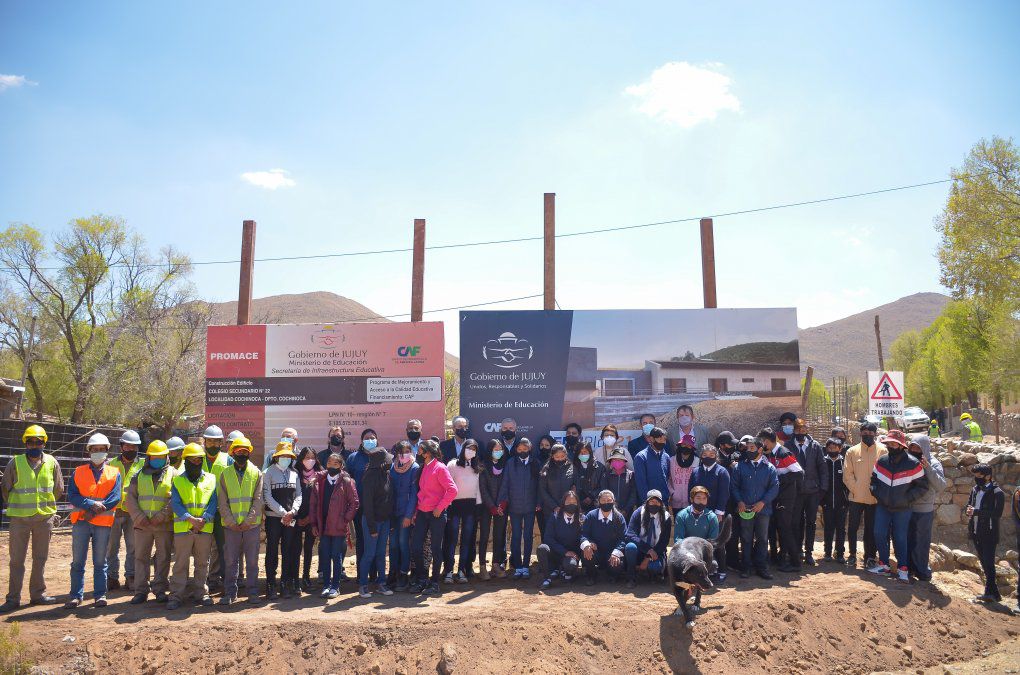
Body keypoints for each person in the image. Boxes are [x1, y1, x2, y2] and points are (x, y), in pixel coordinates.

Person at [0, 424, 63, 612]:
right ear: (25, 443)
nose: (34, 445)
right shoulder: (15, 463)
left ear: (44, 443)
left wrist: (45, 507)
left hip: (44, 519)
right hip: (19, 519)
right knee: (16, 560)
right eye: (30, 442)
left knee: (40, 558)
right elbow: (5, 489)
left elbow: (58, 489)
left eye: (38, 441)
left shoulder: (52, 462)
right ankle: (13, 599)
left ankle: (37, 595)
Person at [65, 434, 122, 609]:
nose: (98, 452)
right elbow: (73, 495)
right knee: (78, 562)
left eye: (101, 450)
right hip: (82, 522)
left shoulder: (114, 473)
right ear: (89, 451)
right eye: (95, 450)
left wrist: (96, 510)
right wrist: (92, 504)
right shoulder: (78, 471)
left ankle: (100, 595)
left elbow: (115, 497)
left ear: (107, 451)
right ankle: (75, 596)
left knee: (100, 562)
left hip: (102, 524)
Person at [868, 429, 928, 582]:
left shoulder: (913, 464)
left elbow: (922, 487)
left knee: (900, 538)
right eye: (889, 443)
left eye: (894, 443)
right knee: (879, 534)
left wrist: (907, 499)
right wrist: (877, 494)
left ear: (902, 446)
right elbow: (873, 481)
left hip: (903, 509)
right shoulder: (881, 461)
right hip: (883, 507)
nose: (891, 446)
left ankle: (903, 568)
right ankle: (884, 565)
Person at [167, 443, 217, 610]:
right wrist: (191, 520)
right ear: (185, 461)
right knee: (181, 564)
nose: (196, 462)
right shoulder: (178, 480)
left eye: (199, 460)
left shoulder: (211, 478)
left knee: (202, 563)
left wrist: (203, 519)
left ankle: (201, 593)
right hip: (184, 529)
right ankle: (176, 596)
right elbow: (176, 503)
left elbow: (213, 502)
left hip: (204, 528)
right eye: (192, 460)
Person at [125, 440, 175, 604]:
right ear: (148, 457)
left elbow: (175, 499)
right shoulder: (138, 475)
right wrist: (140, 518)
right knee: (141, 558)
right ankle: (141, 591)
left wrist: (160, 517)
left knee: (163, 558)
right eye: (155, 456)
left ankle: (160, 590)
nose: (158, 459)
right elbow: (130, 499)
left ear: (166, 457)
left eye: (161, 456)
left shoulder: (174, 474)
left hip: (163, 525)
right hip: (142, 526)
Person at [216, 437, 264, 605]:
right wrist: (231, 522)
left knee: (252, 561)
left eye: (245, 451)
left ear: (249, 453)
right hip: (231, 527)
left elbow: (258, 500)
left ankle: (252, 592)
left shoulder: (256, 473)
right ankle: (230, 593)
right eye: (239, 451)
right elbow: (222, 501)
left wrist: (248, 521)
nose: (242, 454)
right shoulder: (225, 474)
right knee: (231, 561)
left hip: (251, 526)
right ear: (233, 453)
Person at [410, 440, 458, 595]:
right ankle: (422, 578)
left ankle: (434, 582)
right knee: (416, 546)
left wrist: (440, 507)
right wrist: (417, 512)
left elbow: (452, 490)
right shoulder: (424, 467)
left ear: (428, 452)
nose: (418, 452)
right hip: (423, 513)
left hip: (436, 514)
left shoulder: (440, 467)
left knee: (436, 548)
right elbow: (422, 493)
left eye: (421, 450)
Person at [309, 453, 359, 599]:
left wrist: (345, 520)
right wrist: (313, 523)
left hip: (339, 527)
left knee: (336, 557)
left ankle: (335, 587)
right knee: (324, 556)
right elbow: (313, 504)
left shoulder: (347, 481)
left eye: (335, 464)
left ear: (341, 466)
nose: (332, 466)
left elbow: (354, 503)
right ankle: (325, 585)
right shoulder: (320, 481)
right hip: (323, 526)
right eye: (329, 463)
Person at [730, 435, 780, 579]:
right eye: (747, 448)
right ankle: (746, 567)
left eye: (752, 448)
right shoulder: (740, 467)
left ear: (760, 449)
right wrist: (739, 501)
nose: (748, 450)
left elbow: (774, 487)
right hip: (745, 509)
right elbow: (734, 487)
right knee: (746, 538)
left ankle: (762, 567)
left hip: (763, 510)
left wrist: (763, 502)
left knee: (763, 539)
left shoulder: (769, 467)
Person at [785, 419, 828, 566]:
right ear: (794, 431)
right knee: (796, 522)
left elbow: (822, 468)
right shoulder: (788, 446)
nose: (801, 432)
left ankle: (809, 552)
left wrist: (823, 488)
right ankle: (797, 551)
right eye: (798, 430)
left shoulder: (815, 446)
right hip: (795, 492)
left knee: (811, 522)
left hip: (812, 491)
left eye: (803, 430)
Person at [105, 429, 144, 592]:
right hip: (114, 512)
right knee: (111, 547)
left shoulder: (142, 465)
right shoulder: (111, 464)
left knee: (133, 546)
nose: (131, 450)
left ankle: (131, 576)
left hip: (133, 513)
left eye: (134, 447)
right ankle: (112, 578)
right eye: (128, 447)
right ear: (121, 447)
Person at [761, 427, 803, 573]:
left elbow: (799, 473)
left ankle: (795, 563)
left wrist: (778, 480)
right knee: (778, 528)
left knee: (785, 529)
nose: (762, 444)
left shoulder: (783, 453)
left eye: (762, 441)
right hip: (777, 497)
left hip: (786, 497)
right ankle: (781, 558)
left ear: (767, 441)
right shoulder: (770, 454)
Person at [263, 441, 302, 599]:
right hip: (273, 519)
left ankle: (285, 583)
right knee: (272, 551)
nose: (286, 458)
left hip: (290, 519)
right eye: (283, 456)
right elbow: (267, 496)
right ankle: (270, 584)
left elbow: (298, 495)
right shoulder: (268, 472)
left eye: (288, 456)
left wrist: (292, 512)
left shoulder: (294, 473)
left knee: (288, 551)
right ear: (276, 456)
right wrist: (282, 513)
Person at [844, 422, 885, 568]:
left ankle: (870, 557)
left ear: (875, 433)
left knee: (871, 528)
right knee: (853, 527)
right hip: (856, 497)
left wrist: (879, 492)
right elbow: (847, 475)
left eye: (870, 432)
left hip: (874, 498)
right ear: (860, 433)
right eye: (864, 432)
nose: (867, 434)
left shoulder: (882, 451)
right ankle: (852, 555)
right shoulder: (852, 451)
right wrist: (856, 489)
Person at [499, 437, 541, 579]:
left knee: (528, 537)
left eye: (525, 449)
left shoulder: (536, 463)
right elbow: (505, 483)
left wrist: (538, 502)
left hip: (530, 507)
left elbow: (540, 486)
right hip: (514, 507)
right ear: (516, 449)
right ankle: (517, 566)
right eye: (520, 449)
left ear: (530, 449)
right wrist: (503, 502)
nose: (522, 451)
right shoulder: (511, 463)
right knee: (516, 536)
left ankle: (525, 566)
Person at [906, 434, 946, 582]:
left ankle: (922, 570)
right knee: (907, 539)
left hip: (924, 509)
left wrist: (928, 468)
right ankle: (908, 568)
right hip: (906, 507)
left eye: (918, 447)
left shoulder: (933, 463)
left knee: (922, 541)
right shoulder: (907, 460)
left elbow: (941, 485)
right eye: (912, 447)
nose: (914, 450)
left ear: (924, 448)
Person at [444, 438, 481, 583]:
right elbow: (447, 486)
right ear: (463, 448)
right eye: (468, 448)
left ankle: (461, 570)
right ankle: (448, 571)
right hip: (454, 506)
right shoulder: (452, 464)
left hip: (470, 507)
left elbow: (478, 490)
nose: (471, 451)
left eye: (474, 449)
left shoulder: (477, 466)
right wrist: (447, 505)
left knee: (466, 540)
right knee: (451, 539)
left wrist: (478, 508)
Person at [966, 463, 1005, 603]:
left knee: (988, 562)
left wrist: (976, 512)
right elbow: (969, 505)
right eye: (975, 476)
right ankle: (995, 594)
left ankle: (989, 592)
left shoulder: (997, 493)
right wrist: (968, 510)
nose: (976, 478)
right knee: (983, 562)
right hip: (976, 531)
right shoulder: (975, 490)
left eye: (979, 476)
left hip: (989, 533)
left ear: (988, 476)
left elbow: (997, 514)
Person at [690, 444, 730, 580]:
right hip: (698, 512)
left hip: (716, 513)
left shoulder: (722, 472)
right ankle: (706, 571)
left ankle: (722, 571)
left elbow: (724, 494)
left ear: (716, 457)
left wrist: (719, 513)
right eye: (705, 455)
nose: (708, 457)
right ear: (701, 456)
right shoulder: (696, 471)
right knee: (702, 542)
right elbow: (691, 491)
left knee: (717, 542)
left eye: (712, 455)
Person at [359, 447, 395, 598]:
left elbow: (389, 499)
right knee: (369, 554)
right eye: (387, 459)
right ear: (380, 462)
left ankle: (381, 583)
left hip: (385, 521)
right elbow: (367, 505)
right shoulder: (369, 477)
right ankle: (363, 585)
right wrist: (372, 527)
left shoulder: (387, 474)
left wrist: (390, 522)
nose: (390, 462)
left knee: (381, 554)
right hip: (371, 522)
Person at [200, 425, 230, 592]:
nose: (212, 444)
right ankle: (203, 581)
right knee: (202, 549)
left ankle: (225, 581)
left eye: (216, 441)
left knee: (223, 548)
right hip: (201, 512)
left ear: (221, 443)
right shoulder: (196, 458)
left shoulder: (228, 460)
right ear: (204, 441)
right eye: (209, 441)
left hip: (221, 512)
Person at [537, 490, 584, 590]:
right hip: (556, 552)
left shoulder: (582, 518)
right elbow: (548, 538)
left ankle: (564, 571)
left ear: (577, 504)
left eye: (574, 503)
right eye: (568, 502)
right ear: (563, 503)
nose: (571, 505)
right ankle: (547, 578)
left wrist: (576, 554)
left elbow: (583, 538)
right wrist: (564, 551)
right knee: (542, 548)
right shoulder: (554, 517)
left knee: (570, 565)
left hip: (571, 555)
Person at [580, 490, 629, 585]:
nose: (606, 502)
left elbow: (623, 538)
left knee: (618, 564)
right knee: (586, 552)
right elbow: (584, 534)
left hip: (612, 553)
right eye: (603, 500)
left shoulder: (619, 517)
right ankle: (591, 576)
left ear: (614, 502)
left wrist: (616, 552)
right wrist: (587, 544)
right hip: (596, 552)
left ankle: (612, 575)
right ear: (598, 502)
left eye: (609, 500)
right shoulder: (591, 515)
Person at [624, 489, 671, 587]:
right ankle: (631, 577)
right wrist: (647, 549)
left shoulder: (666, 517)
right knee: (630, 547)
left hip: (656, 551)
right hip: (640, 549)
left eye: (657, 502)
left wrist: (649, 557)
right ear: (647, 502)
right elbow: (630, 534)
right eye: (652, 501)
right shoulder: (638, 513)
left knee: (655, 567)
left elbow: (664, 541)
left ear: (661, 503)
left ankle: (652, 575)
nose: (654, 504)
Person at [346, 428, 376, 578]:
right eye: (367, 438)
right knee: (362, 541)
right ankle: (361, 574)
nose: (370, 440)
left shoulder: (382, 457)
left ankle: (374, 574)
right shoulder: (353, 458)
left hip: (377, 508)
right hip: (359, 507)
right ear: (362, 441)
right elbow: (347, 481)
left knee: (375, 540)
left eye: (373, 438)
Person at [389, 441, 419, 591]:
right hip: (393, 513)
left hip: (405, 513)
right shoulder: (392, 467)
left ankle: (403, 574)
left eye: (407, 451)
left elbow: (414, 494)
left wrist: (409, 515)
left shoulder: (415, 468)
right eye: (401, 452)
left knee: (403, 543)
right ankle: (393, 572)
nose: (404, 455)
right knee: (393, 545)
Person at [478, 439, 509, 580]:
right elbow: (483, 489)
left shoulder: (506, 465)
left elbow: (507, 486)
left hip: (501, 507)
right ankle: (483, 567)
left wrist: (501, 505)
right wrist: (491, 506)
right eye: (495, 450)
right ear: (490, 451)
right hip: (486, 507)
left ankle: (496, 565)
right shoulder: (483, 466)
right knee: (484, 536)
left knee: (499, 536)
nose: (498, 452)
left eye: (500, 449)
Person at [294, 447, 321, 592]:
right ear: (301, 459)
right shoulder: (295, 474)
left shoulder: (320, 475)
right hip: (297, 518)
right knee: (296, 549)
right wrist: (298, 517)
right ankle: (295, 579)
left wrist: (311, 518)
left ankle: (306, 576)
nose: (309, 460)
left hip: (312, 519)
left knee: (309, 549)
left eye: (312, 457)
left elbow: (322, 500)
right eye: (306, 457)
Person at [820, 438, 850, 563]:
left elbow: (848, 482)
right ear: (827, 449)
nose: (833, 450)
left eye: (835, 448)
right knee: (828, 528)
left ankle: (840, 553)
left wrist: (846, 499)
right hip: (827, 503)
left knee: (841, 529)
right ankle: (827, 552)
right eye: (830, 448)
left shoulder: (845, 463)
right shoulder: (823, 462)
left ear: (840, 449)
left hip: (841, 503)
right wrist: (821, 501)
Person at [538, 443, 577, 536]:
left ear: (566, 455)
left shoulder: (572, 468)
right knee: (550, 536)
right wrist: (554, 507)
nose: (560, 459)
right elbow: (542, 490)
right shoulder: (545, 470)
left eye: (562, 456)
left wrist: (567, 505)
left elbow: (576, 487)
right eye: (557, 457)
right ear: (552, 456)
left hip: (568, 510)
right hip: (549, 510)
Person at [636, 426, 673, 512]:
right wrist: (647, 502)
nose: (663, 442)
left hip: (663, 502)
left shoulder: (666, 456)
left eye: (664, 439)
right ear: (651, 439)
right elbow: (641, 482)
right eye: (660, 439)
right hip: (649, 503)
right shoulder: (641, 457)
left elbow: (667, 478)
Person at [666, 434, 699, 515]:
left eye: (689, 445)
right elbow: (667, 478)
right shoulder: (671, 460)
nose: (686, 447)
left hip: (691, 502)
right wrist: (672, 493)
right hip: (675, 502)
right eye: (684, 444)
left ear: (692, 448)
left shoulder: (698, 461)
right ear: (680, 445)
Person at [600, 448, 637, 517]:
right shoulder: (606, 475)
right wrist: (614, 509)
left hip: (627, 513)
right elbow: (604, 492)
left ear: (624, 461)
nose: (617, 461)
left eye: (620, 459)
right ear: (611, 462)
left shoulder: (631, 475)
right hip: (610, 511)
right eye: (614, 460)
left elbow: (633, 495)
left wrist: (625, 510)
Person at [574, 441, 605, 514]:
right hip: (578, 506)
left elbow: (603, 486)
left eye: (585, 452)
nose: (583, 454)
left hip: (595, 504)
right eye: (580, 452)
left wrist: (591, 497)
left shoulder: (600, 467)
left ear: (590, 452)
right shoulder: (573, 467)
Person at [535, 435, 556, 537]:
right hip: (540, 505)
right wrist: (538, 502)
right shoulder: (535, 461)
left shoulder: (556, 462)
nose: (544, 447)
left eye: (547, 445)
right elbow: (535, 484)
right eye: (542, 445)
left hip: (554, 503)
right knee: (543, 532)